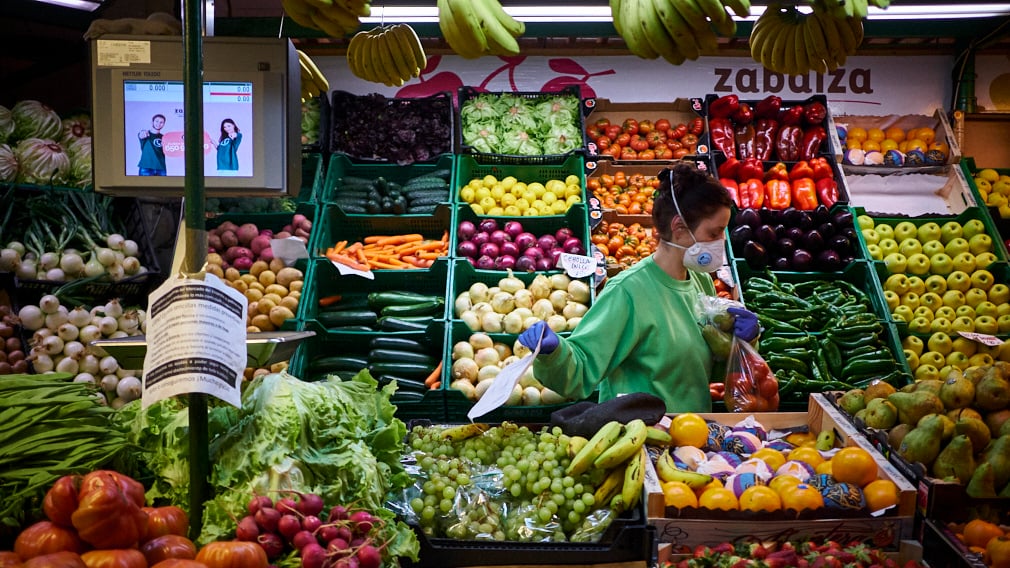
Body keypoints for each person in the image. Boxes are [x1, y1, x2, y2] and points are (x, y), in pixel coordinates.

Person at [518, 162, 759, 413]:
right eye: (714, 233)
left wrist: (742, 343)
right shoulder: (627, 292)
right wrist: (554, 352)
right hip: (641, 438)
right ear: (679, 228)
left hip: (691, 436)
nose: (722, 242)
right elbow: (582, 369)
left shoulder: (701, 282)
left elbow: (706, 368)